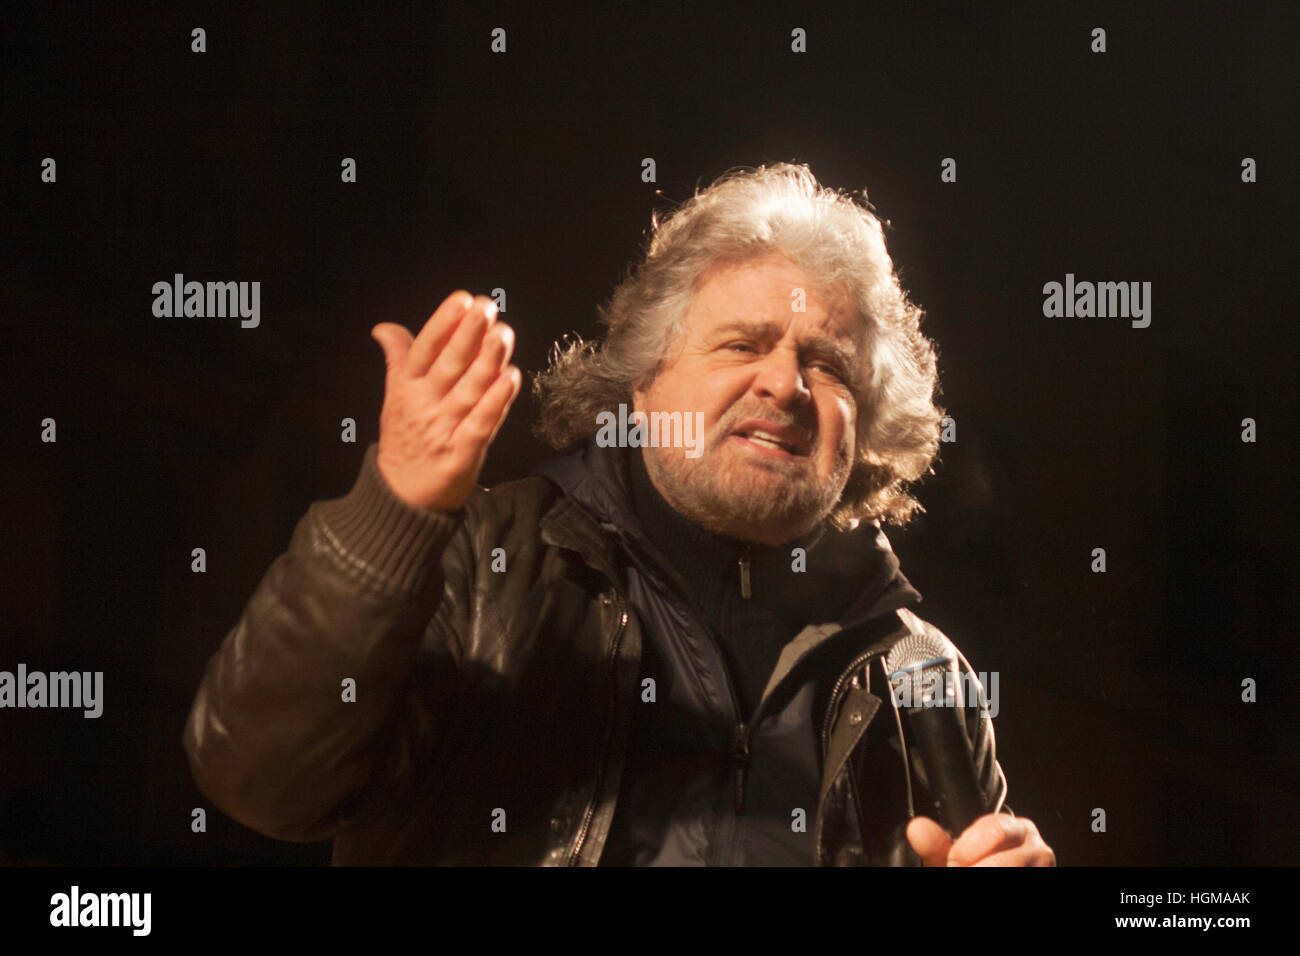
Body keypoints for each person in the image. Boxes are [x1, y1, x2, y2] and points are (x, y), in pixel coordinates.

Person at [182, 162, 1054, 866]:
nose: (785, 384)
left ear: (863, 427)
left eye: (828, 366)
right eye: (743, 343)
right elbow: (261, 779)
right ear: (642, 383)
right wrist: (395, 512)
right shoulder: (489, 564)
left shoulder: (920, 672)